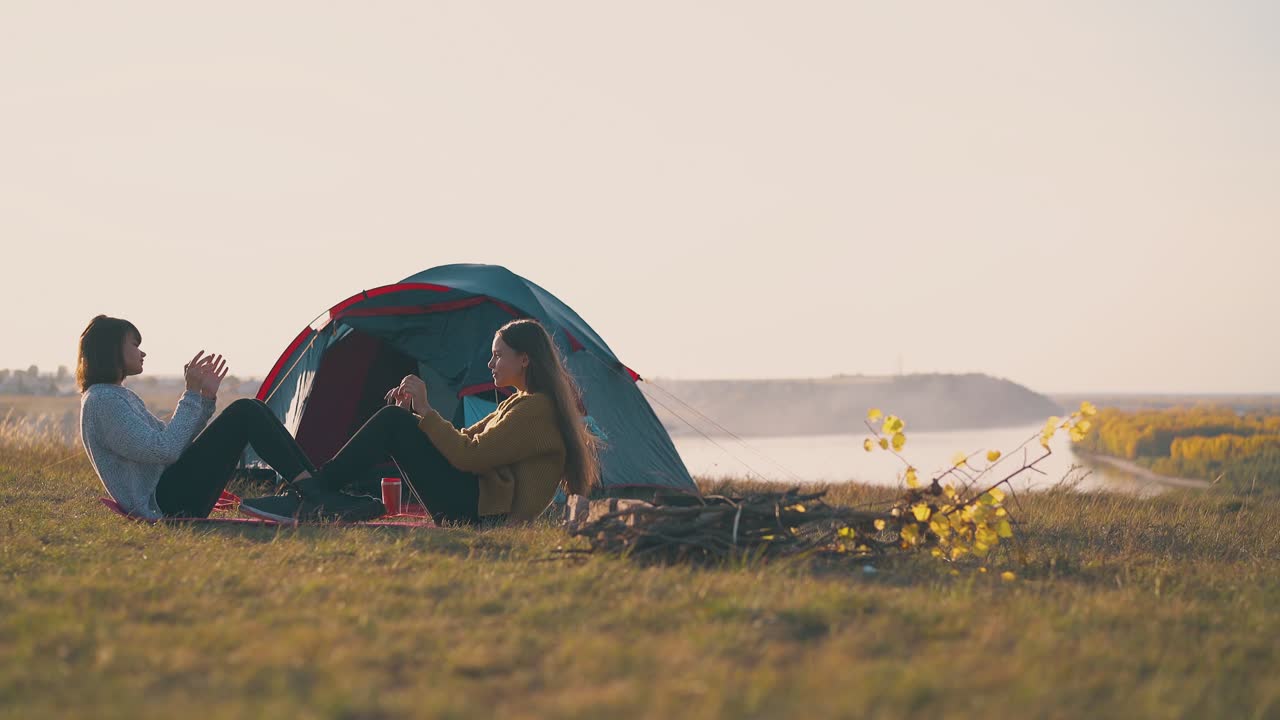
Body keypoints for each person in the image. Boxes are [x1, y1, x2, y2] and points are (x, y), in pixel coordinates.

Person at [241, 318, 600, 525]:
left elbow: (469, 456)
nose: (490, 365)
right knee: (397, 420)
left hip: (484, 516)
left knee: (393, 423)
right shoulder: (522, 404)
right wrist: (418, 414)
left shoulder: (537, 410)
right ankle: (317, 493)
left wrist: (425, 412)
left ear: (524, 360)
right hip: (476, 506)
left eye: (497, 356)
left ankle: (313, 494)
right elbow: (462, 438)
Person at [77, 315, 321, 519]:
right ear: (111, 349)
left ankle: (315, 488)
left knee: (253, 408)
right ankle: (316, 494)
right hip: (165, 503)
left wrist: (205, 399)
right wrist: (191, 393)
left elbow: (174, 442)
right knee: (246, 411)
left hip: (171, 494)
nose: (142, 352)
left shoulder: (114, 396)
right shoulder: (103, 401)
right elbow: (166, 451)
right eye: (134, 344)